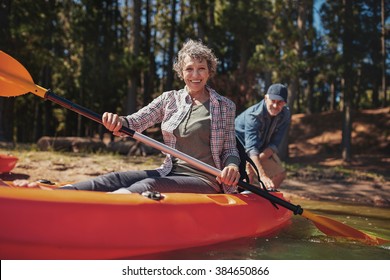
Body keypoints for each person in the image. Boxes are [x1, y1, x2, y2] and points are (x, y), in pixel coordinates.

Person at [14, 39, 241, 194]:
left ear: (209, 71)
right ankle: (59, 195)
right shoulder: (169, 99)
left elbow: (230, 150)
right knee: (114, 178)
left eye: (201, 68)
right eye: (189, 68)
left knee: (148, 184)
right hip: (169, 171)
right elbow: (135, 122)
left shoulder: (224, 106)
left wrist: (232, 167)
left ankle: (108, 209)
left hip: (205, 180)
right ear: (181, 73)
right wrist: (119, 122)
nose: (195, 74)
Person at [235, 83, 291, 190]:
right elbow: (251, 149)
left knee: (280, 174)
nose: (275, 106)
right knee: (247, 179)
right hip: (236, 148)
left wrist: (252, 164)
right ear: (266, 98)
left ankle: (264, 199)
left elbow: (274, 145)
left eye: (280, 102)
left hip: (259, 151)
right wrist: (262, 175)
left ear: (285, 103)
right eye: (273, 101)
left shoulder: (285, 115)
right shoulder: (253, 116)